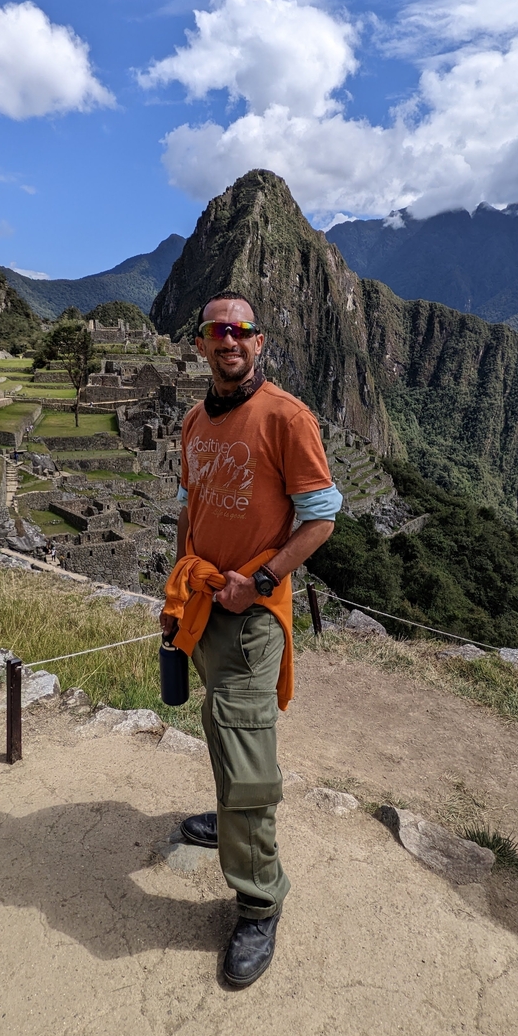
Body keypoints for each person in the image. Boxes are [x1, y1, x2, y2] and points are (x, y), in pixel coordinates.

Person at [160, 290, 342, 988]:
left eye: (240, 330)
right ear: (201, 345)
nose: (228, 340)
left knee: (248, 757)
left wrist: (259, 579)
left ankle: (261, 900)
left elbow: (321, 517)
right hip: (203, 609)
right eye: (215, 332)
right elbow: (189, 510)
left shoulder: (287, 418)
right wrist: (177, 591)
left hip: (251, 616)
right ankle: (231, 821)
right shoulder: (194, 422)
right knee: (222, 729)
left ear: (258, 342)